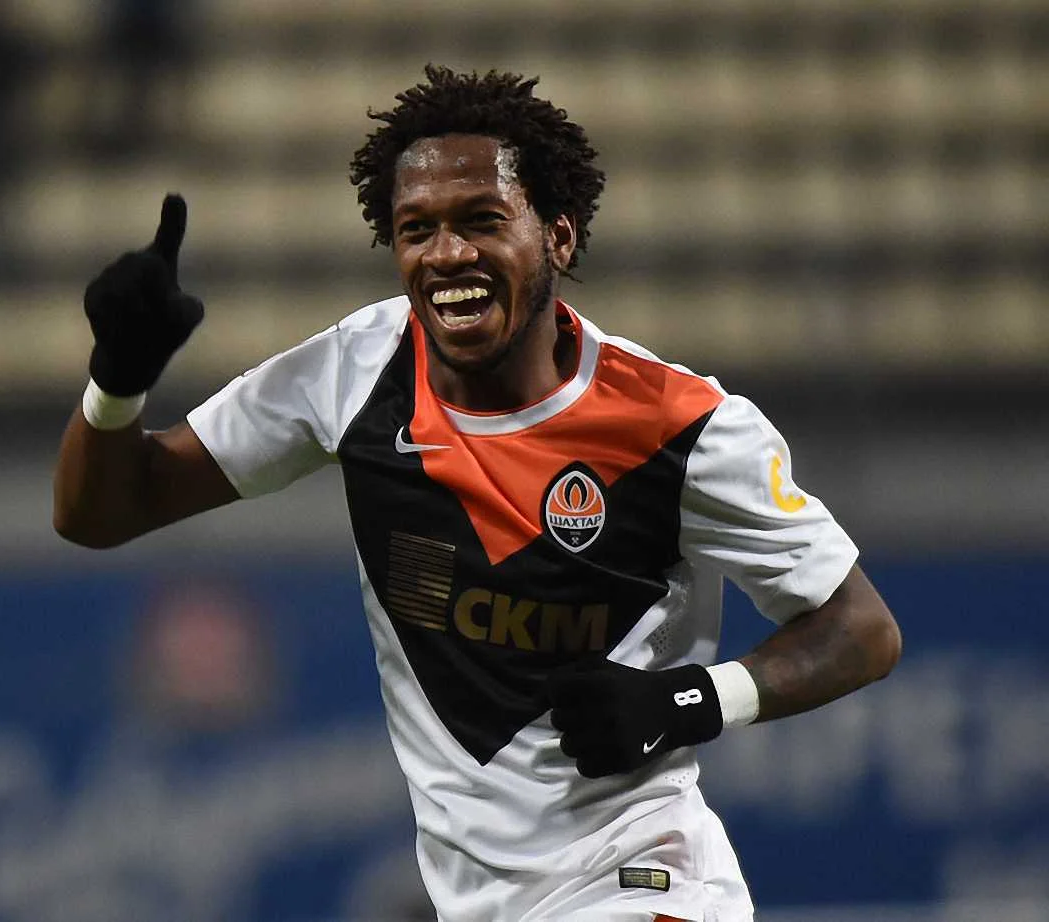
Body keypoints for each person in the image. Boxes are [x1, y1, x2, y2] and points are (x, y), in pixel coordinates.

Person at [54, 65, 902, 921]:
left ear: (559, 237)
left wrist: (687, 701)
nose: (448, 254)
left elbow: (861, 629)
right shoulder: (355, 372)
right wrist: (117, 383)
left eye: (482, 221)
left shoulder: (680, 427)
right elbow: (103, 512)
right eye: (416, 229)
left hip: (639, 879)